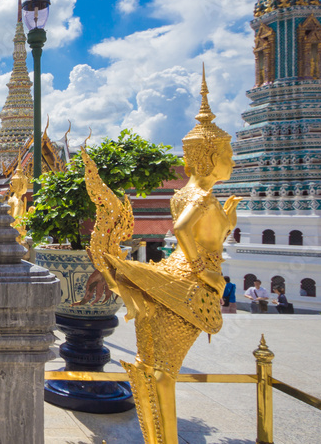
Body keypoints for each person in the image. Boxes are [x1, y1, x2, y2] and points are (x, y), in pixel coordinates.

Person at [81, 68, 239, 444]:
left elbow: (198, 233)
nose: (232, 160)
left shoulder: (183, 193)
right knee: (164, 372)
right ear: (210, 156)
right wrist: (207, 275)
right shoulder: (200, 197)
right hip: (184, 288)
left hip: (169, 279)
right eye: (228, 153)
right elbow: (184, 231)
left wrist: (225, 223)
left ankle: (156, 439)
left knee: (149, 367)